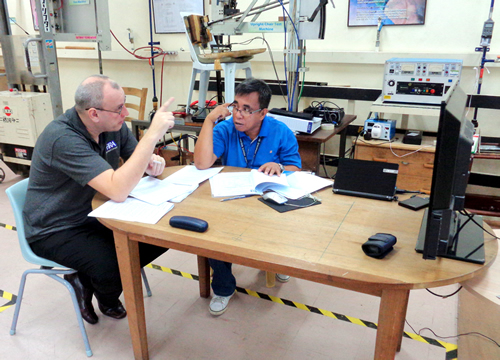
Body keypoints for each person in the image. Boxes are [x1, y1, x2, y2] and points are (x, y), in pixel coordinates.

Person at [23, 75, 176, 324]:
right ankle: (103, 295)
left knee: (158, 238)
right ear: (94, 114)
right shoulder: (63, 138)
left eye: (124, 104)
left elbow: (135, 156)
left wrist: (150, 161)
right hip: (54, 227)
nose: (125, 113)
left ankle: (90, 278)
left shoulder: (112, 127)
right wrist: (152, 135)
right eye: (119, 109)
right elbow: (117, 190)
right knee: (111, 266)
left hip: (96, 212)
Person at [194, 78, 302, 316]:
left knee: (285, 219)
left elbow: (295, 168)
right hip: (232, 201)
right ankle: (223, 288)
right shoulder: (225, 128)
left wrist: (280, 166)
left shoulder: (280, 131)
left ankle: (274, 263)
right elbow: (202, 163)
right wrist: (210, 120)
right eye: (235, 107)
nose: (238, 115)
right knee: (211, 233)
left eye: (246, 109)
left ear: (263, 112)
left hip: (267, 202)